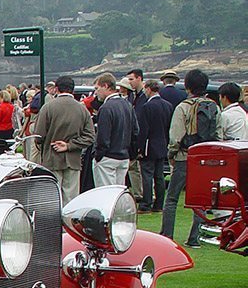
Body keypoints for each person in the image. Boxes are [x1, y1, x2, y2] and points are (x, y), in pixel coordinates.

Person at [162, 69, 218, 248]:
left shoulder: (183, 107)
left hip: (184, 157)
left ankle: (167, 236)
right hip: (204, 158)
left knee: (171, 199)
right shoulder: (213, 106)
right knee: (200, 199)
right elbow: (218, 133)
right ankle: (194, 237)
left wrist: (171, 154)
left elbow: (176, 135)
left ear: (187, 86)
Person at [34, 76, 95, 203]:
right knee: (71, 198)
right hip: (73, 159)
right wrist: (70, 145)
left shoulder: (48, 107)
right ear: (72, 90)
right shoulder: (82, 109)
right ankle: (68, 222)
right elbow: (90, 137)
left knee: (52, 197)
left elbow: (39, 136)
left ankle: (53, 222)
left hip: (51, 157)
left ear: (56, 89)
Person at [92, 73, 138, 187]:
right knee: (118, 195)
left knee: (105, 194)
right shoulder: (127, 105)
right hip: (123, 157)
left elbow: (103, 136)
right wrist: (131, 153)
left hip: (108, 157)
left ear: (106, 86)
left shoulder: (106, 108)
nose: (96, 92)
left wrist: (98, 156)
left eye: (97, 88)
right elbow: (135, 131)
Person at [137, 79, 173, 212]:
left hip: (149, 145)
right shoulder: (168, 105)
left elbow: (144, 129)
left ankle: (146, 204)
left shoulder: (147, 107)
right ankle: (159, 204)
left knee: (147, 175)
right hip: (162, 144)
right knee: (159, 176)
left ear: (148, 89)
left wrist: (139, 148)